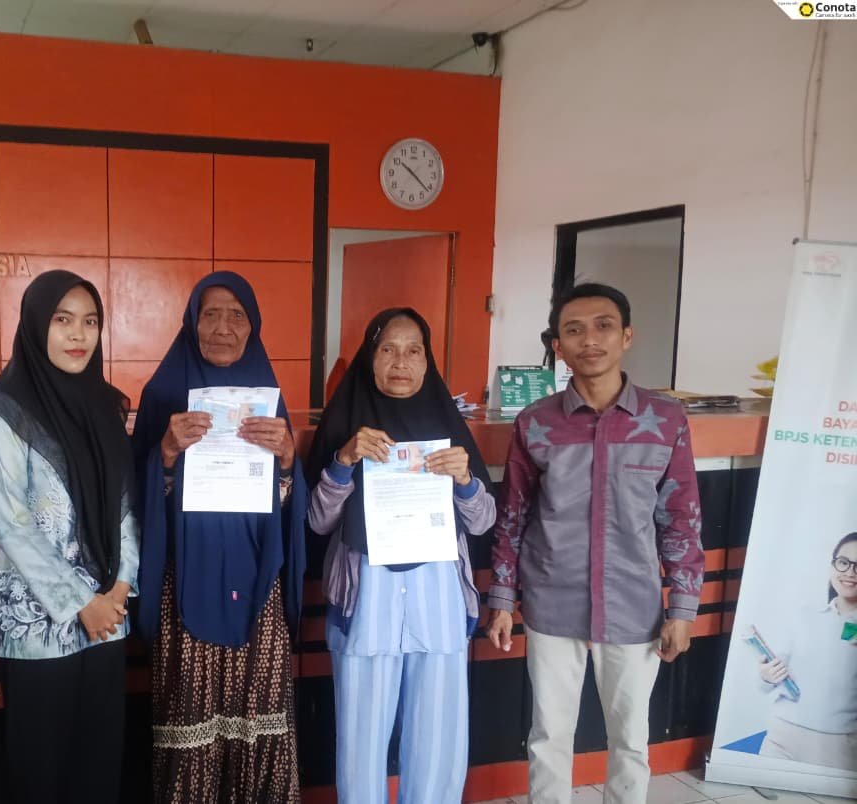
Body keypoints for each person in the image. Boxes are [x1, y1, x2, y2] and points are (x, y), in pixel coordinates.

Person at [485, 282, 705, 804]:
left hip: (633, 604)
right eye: (574, 330)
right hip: (551, 598)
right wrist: (502, 599)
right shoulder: (535, 423)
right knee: (548, 736)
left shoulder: (665, 421)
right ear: (557, 346)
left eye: (603, 326)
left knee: (630, 741)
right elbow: (513, 516)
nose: (589, 339)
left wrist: (683, 608)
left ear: (626, 335)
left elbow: (681, 518)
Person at [306, 308, 496, 803]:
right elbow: (317, 521)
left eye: (414, 351)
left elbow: (483, 522)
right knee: (361, 740)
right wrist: (343, 461)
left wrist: (465, 480)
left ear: (427, 361)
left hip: (438, 604)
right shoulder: (346, 427)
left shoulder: (449, 427)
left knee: (437, 739)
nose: (400, 362)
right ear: (370, 356)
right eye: (388, 349)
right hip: (367, 605)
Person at [133, 271, 307, 804]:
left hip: (258, 583)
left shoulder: (268, 398)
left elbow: (284, 505)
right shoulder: (162, 394)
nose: (223, 327)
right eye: (210, 314)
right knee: (191, 721)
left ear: (253, 327)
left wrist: (287, 462)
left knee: (260, 717)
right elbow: (135, 500)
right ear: (192, 322)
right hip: (185, 584)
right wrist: (164, 456)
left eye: (237, 316)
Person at [0, 270, 139, 803]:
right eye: (63, 320)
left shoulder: (105, 406)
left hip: (107, 618)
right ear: (35, 324)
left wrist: (119, 589)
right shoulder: (3, 412)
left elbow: (124, 505)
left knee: (98, 765)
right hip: (36, 625)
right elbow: (9, 521)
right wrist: (80, 603)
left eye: (90, 322)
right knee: (42, 771)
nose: (78, 335)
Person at [756, 532, 857, 770]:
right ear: (832, 565)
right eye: (843, 562)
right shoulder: (805, 616)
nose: (850, 572)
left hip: (839, 746)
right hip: (782, 736)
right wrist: (765, 675)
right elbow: (764, 682)